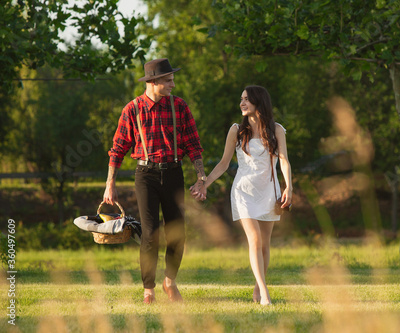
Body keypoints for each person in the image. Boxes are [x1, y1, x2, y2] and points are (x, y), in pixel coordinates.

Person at [103, 58, 207, 304]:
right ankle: (148, 289)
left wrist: (201, 177)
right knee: (150, 233)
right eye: (168, 80)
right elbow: (117, 149)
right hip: (146, 176)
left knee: (177, 232)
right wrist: (110, 184)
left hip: (173, 173)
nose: (173, 84)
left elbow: (194, 145)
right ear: (152, 82)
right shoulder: (132, 109)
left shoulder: (180, 107)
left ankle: (169, 282)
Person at [191, 85, 292, 305]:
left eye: (247, 99)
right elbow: (224, 163)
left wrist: (288, 187)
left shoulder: (277, 130)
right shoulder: (236, 130)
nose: (242, 103)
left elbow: (283, 160)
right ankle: (265, 294)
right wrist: (204, 183)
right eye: (241, 99)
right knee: (254, 239)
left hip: (269, 191)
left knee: (265, 244)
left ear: (259, 102)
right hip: (243, 192)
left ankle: (258, 287)